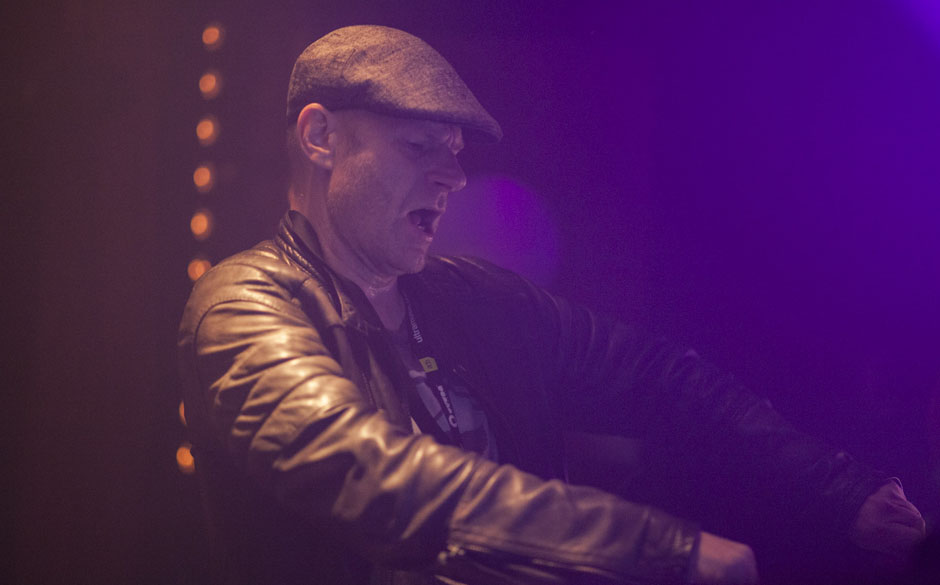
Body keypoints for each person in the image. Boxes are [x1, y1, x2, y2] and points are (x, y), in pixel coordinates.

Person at [177, 25, 926, 585]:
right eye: (418, 147)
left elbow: (661, 379)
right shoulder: (244, 308)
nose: (452, 178)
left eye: (454, 153)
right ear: (320, 137)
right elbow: (372, 473)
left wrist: (837, 491)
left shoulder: (475, 299)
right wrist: (661, 550)